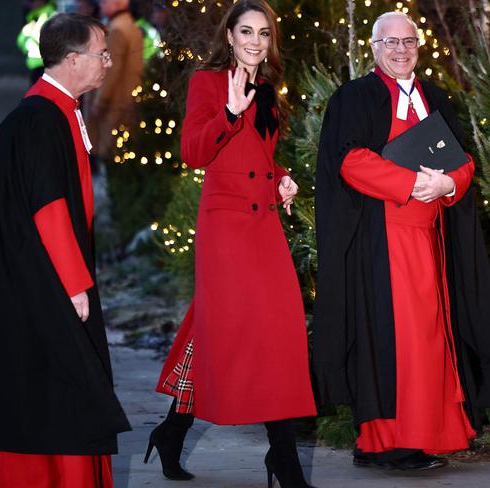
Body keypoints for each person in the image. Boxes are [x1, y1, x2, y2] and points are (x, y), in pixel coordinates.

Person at [313, 11, 490, 471]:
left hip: (433, 239)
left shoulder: (436, 97)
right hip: (384, 241)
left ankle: (409, 438)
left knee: (431, 338)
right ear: (374, 47)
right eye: (391, 42)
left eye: (409, 41)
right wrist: (411, 183)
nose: (401, 50)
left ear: (418, 47)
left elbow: (462, 160)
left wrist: (447, 185)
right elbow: (350, 161)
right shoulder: (356, 96)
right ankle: (395, 442)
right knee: (399, 341)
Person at [146, 1, 317, 487]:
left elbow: (258, 157)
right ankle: (284, 461)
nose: (255, 41)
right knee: (250, 334)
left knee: (265, 334)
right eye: (246, 31)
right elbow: (194, 152)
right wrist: (227, 110)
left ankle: (173, 432)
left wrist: (282, 178)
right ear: (229, 36)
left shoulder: (268, 87)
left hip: (263, 226)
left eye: (264, 33)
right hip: (226, 231)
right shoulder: (208, 82)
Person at [0, 13, 131, 487]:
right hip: (41, 283)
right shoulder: (39, 118)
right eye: (101, 53)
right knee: (54, 388)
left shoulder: (52, 109)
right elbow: (49, 207)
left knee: (57, 386)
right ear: (73, 60)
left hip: (42, 277)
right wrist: (76, 286)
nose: (107, 61)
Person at [87, 0, 143, 163]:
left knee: (107, 159)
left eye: (104, 1)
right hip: (127, 99)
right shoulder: (130, 26)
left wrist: (99, 103)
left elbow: (110, 71)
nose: (101, 5)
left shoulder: (116, 30)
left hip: (114, 103)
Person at [17, 0, 56, 84]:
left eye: (32, 1)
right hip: (36, 68)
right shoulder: (33, 18)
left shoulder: (50, 16)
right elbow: (20, 41)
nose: (30, 4)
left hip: (49, 67)